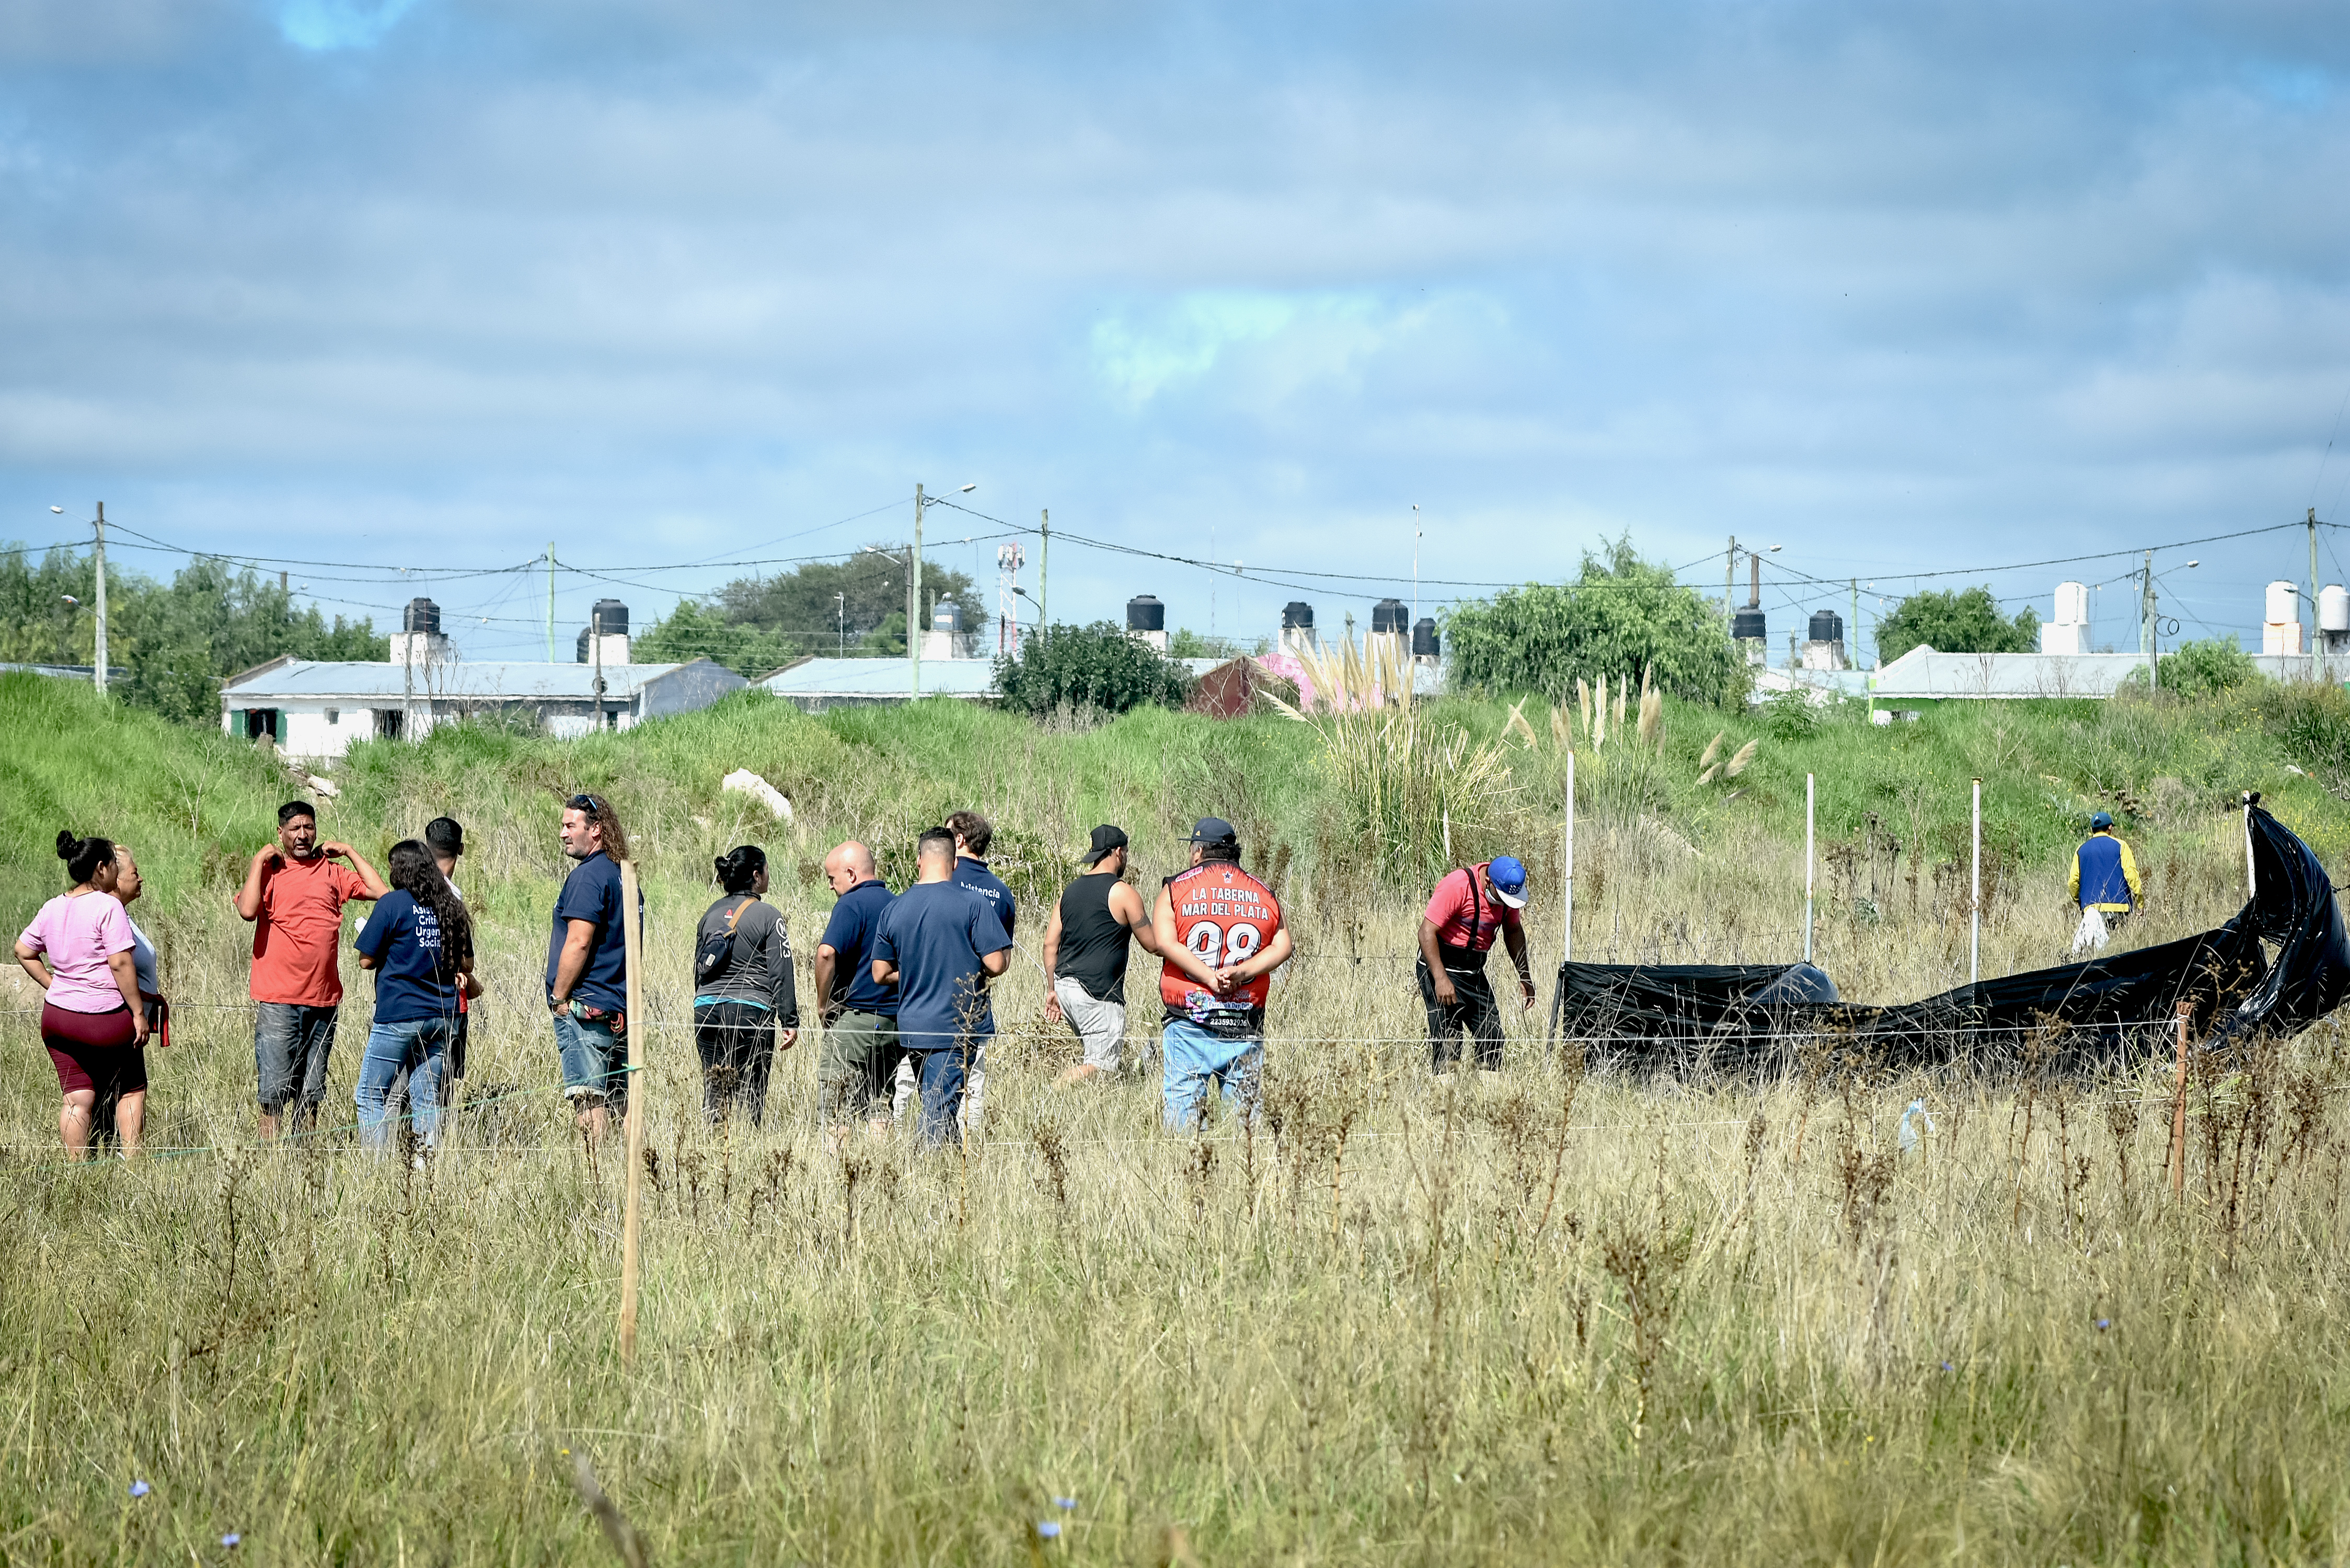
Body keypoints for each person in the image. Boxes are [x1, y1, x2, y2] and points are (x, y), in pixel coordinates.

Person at [234, 800, 386, 1139]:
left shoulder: (331, 871)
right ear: (281, 833)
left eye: (309, 828)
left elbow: (379, 891)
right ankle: (267, 1163)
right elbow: (247, 910)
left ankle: (305, 1163)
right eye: (295, 829)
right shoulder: (270, 871)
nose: (303, 836)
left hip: (323, 1000)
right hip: (278, 999)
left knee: (312, 1091)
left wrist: (348, 851)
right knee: (272, 1094)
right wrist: (259, 860)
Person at [15, 832, 152, 1160]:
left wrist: (56, 985)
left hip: (58, 1017)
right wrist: (137, 1013)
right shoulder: (108, 906)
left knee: (77, 1098)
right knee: (132, 1089)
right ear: (102, 868)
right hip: (104, 1017)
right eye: (115, 868)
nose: (119, 874)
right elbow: (120, 962)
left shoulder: (53, 906)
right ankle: (133, 1166)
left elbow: (23, 950)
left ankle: (76, 1170)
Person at [872, 827, 1011, 1146]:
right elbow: (996, 964)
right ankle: (925, 1179)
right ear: (955, 863)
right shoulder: (973, 905)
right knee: (938, 1111)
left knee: (937, 1103)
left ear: (919, 860)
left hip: (912, 1027)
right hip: (956, 1027)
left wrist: (912, 972)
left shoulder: (894, 909)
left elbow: (880, 973)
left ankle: (950, 1176)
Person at [1151, 817, 1293, 1131]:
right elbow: (1284, 945)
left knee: (1185, 1130)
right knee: (1245, 1132)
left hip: (1189, 1021)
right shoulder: (1263, 892)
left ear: (1198, 852)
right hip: (1244, 1024)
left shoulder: (1175, 889)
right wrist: (1242, 972)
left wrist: (1207, 976)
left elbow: (1164, 941)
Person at [353, 840, 479, 1155]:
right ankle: (425, 1168)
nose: (391, 872)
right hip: (443, 1016)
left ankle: (375, 1171)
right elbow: (466, 964)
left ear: (403, 870)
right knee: (427, 1098)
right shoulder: (449, 905)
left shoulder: (392, 904)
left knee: (371, 1094)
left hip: (399, 1014)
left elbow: (366, 960)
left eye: (394, 866)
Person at [547, 791, 640, 1145]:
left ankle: (596, 1182)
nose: (563, 833)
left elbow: (579, 942)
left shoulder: (588, 878)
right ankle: (623, 1176)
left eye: (571, 825)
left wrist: (559, 996)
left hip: (587, 1008)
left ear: (596, 830)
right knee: (620, 1101)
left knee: (589, 1101)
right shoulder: (623, 876)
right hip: (620, 1008)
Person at [1042, 824, 1161, 1083]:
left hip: (1065, 989)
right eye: (1126, 852)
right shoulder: (1123, 892)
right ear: (1118, 852)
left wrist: (1052, 990)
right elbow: (1153, 945)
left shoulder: (1068, 893)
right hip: (1097, 994)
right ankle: (1051, 1093)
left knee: (1097, 1064)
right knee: (1101, 1066)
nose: (1126, 857)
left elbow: (1050, 944)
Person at [693, 845, 800, 1127]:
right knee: (751, 1094)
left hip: (706, 1009)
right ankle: (744, 1148)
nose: (768, 875)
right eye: (766, 870)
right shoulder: (769, 915)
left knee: (715, 1089)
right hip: (751, 1011)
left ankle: (713, 1150)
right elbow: (781, 971)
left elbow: (699, 970)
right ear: (756, 875)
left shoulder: (709, 914)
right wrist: (789, 1019)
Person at [814, 840, 901, 1144]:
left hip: (856, 1020)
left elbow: (826, 954)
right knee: (880, 1104)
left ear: (851, 874)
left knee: (836, 1104)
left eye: (831, 879)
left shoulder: (851, 903)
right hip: (894, 1022)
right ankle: (880, 1171)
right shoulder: (897, 903)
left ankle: (838, 1177)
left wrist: (823, 1004)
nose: (831, 887)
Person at [1417, 854, 1536, 1073]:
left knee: (1492, 1036)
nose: (1504, 904)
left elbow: (1513, 931)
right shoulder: (1457, 886)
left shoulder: (1508, 894)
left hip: (1473, 971)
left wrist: (1525, 975)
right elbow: (1426, 933)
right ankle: (1445, 1099)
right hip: (1441, 965)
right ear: (1489, 881)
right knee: (1449, 1041)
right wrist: (1441, 979)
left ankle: (1485, 1095)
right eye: (1501, 897)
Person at [424, 816, 473, 1086]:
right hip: (449, 1005)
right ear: (461, 849)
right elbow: (467, 962)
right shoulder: (453, 898)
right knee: (440, 1086)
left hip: (406, 1006)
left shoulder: (410, 889)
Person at [2069, 810, 2144, 955]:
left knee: (2093, 953)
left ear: (2092, 830)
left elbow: (2073, 882)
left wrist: (2080, 901)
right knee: (2119, 949)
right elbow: (2132, 876)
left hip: (2091, 908)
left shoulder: (2080, 850)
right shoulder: (2121, 846)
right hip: (2120, 907)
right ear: (2110, 828)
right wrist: (2140, 902)